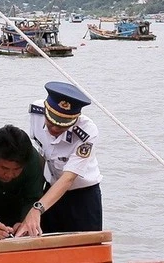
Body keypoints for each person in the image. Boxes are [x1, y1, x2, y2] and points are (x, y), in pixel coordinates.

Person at [16, 82, 103, 237]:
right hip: (50, 189)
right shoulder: (36, 112)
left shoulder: (87, 132)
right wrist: (33, 200)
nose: (55, 129)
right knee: (43, 244)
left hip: (82, 197)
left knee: (86, 249)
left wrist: (37, 208)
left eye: (62, 126)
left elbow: (68, 178)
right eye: (51, 122)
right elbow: (41, 155)